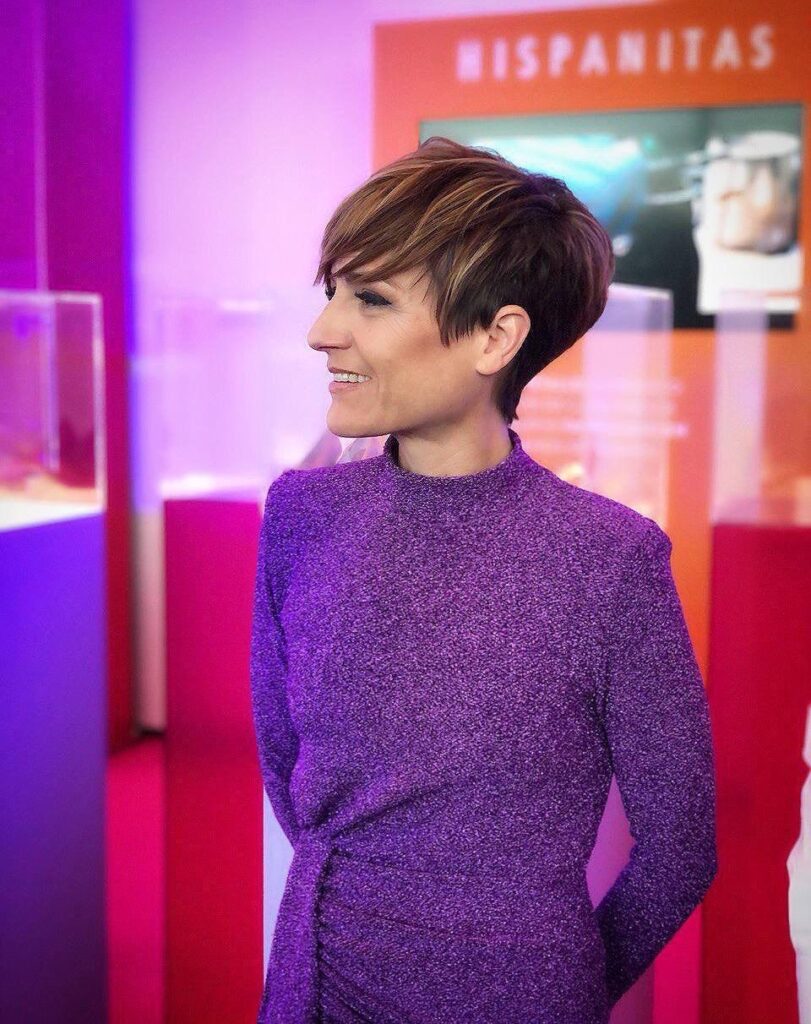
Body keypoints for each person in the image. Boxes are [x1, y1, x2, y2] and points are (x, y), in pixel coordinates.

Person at [249, 136, 718, 1024]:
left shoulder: (608, 558)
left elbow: (679, 850)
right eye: (333, 293)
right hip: (315, 978)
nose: (323, 332)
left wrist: (554, 989)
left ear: (496, 336)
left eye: (372, 299)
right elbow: (287, 771)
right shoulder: (302, 515)